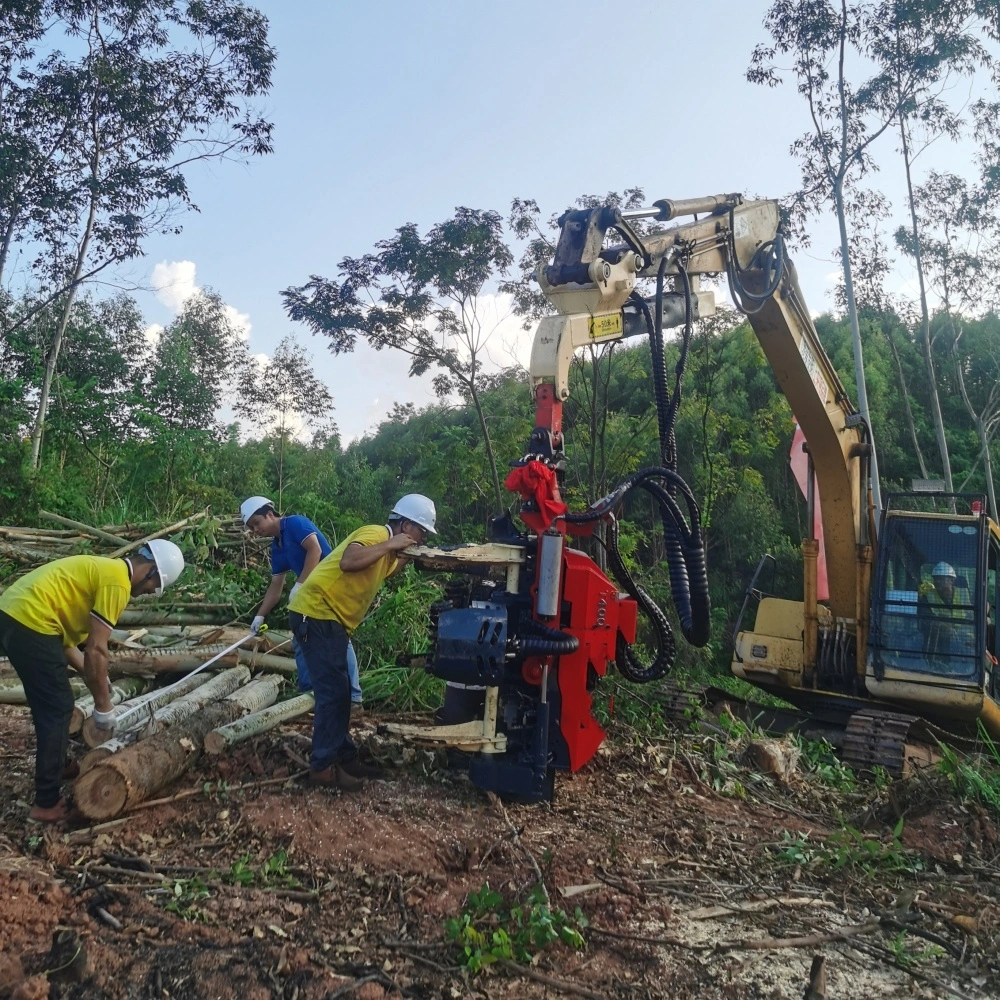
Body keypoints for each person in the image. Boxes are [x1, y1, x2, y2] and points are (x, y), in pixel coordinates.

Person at [0, 540, 185, 823]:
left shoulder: (105, 572)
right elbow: (97, 650)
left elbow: (68, 647)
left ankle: (57, 764)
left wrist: (100, 680)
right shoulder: (118, 583)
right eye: (153, 586)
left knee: (50, 700)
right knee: (60, 707)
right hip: (30, 620)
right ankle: (46, 803)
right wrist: (103, 706)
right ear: (149, 570)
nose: (148, 593)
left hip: (17, 613)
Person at [289, 494, 437, 791]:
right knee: (332, 694)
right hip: (316, 614)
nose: (421, 538)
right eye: (421, 531)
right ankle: (322, 768)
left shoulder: (388, 550)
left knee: (342, 693)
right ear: (406, 525)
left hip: (330, 620)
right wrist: (391, 544)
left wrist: (407, 555)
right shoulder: (376, 533)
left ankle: (344, 757)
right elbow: (349, 561)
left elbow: (386, 567)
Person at [241, 497, 363, 710]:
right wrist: (259, 615)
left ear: (270, 513)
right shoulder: (277, 546)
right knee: (301, 636)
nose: (256, 529)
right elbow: (276, 586)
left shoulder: (295, 523)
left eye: (257, 523)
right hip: (313, 592)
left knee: (338, 638)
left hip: (332, 585)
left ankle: (353, 698)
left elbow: (314, 550)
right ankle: (309, 692)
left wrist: (299, 585)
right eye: (252, 527)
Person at [918, 561, 970, 659]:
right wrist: (944, 627)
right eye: (936, 579)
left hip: (960, 640)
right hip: (935, 639)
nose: (937, 582)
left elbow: (972, 617)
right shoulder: (928, 596)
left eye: (941, 579)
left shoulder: (963, 595)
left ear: (951, 580)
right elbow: (925, 619)